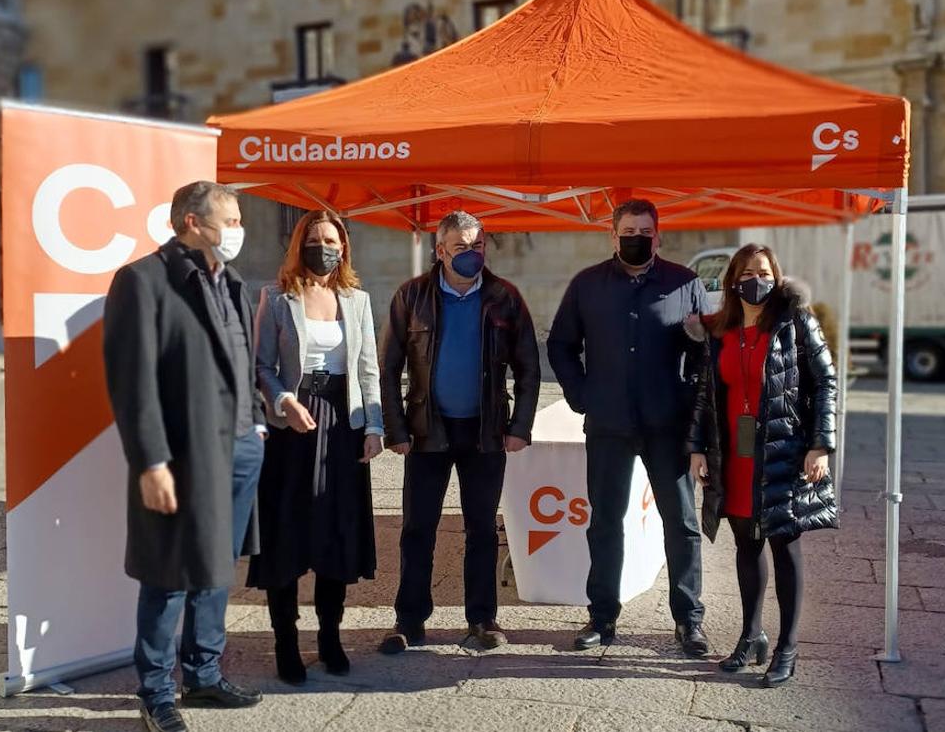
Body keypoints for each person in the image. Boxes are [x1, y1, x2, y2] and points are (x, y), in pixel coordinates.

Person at [102, 181, 264, 732]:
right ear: (192, 222)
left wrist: (261, 423)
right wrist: (150, 462)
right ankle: (155, 690)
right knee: (169, 570)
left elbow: (242, 362)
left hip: (241, 448)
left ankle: (203, 673)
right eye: (232, 220)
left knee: (217, 566)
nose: (239, 230)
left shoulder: (233, 282)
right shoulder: (143, 282)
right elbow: (132, 383)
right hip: (182, 455)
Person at [546, 198, 711, 655]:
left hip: (666, 425)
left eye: (645, 231)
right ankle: (602, 617)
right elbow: (560, 346)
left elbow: (705, 358)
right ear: (612, 236)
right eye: (629, 231)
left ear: (658, 236)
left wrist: (700, 342)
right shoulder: (587, 285)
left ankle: (689, 620)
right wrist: (582, 396)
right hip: (609, 424)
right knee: (604, 522)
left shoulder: (685, 284)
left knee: (681, 522)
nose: (637, 238)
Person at [378, 210, 540, 654]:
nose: (471, 254)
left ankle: (482, 619)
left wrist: (519, 426)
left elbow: (529, 367)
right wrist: (396, 428)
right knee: (417, 528)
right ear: (440, 251)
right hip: (428, 430)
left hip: (486, 432)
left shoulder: (505, 297)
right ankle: (409, 620)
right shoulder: (411, 296)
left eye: (478, 246)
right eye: (461, 247)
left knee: (482, 529)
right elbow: (388, 369)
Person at [686, 243, 838, 688]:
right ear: (735, 279)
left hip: (784, 453)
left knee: (785, 548)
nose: (757, 279)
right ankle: (751, 637)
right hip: (733, 455)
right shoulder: (720, 330)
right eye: (748, 272)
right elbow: (704, 393)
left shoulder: (796, 322)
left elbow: (826, 381)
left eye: (765, 271)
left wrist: (821, 445)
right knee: (746, 547)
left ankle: (787, 647)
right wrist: (697, 447)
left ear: (777, 276)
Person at [246, 209, 383, 684]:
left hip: (343, 423)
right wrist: (284, 400)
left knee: (334, 534)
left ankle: (330, 637)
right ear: (299, 244)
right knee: (286, 535)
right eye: (314, 239)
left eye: (331, 239)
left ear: (343, 247)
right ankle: (286, 641)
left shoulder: (358, 300)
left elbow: (368, 369)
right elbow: (260, 365)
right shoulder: (276, 297)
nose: (323, 247)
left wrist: (373, 426)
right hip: (292, 429)